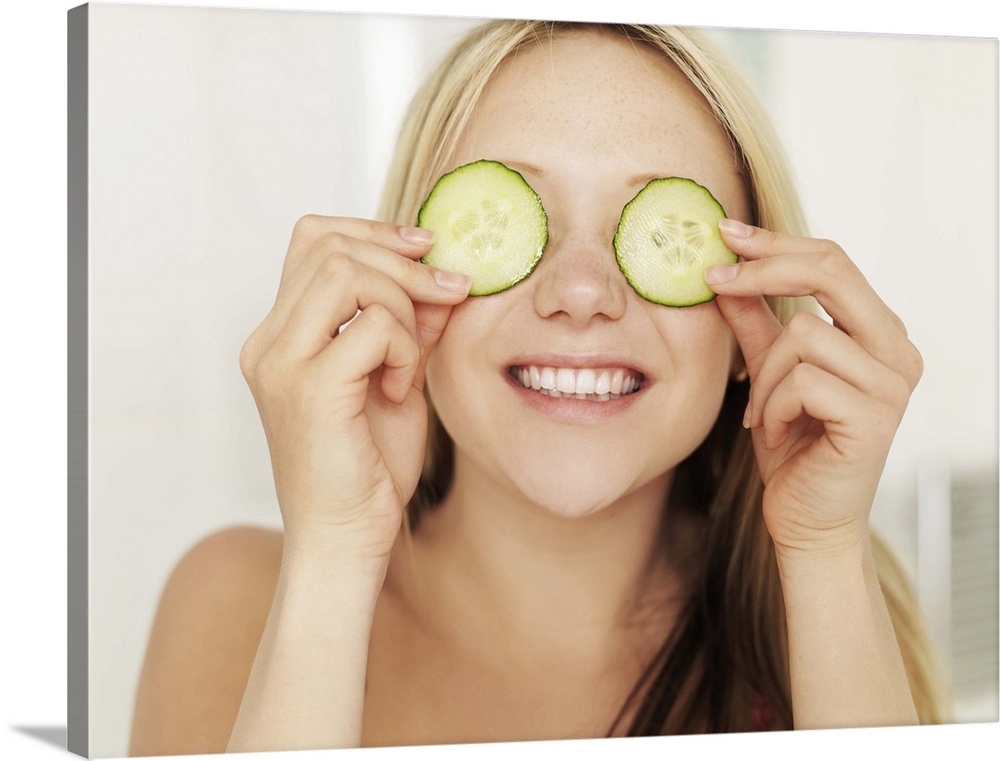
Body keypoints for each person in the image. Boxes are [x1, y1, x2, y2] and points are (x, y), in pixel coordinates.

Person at [127, 19, 950, 756]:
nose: (581, 290)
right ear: (405, 285)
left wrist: (824, 553)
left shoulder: (833, 605)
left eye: (659, 231)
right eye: (516, 219)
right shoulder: (232, 601)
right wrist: (337, 552)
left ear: (751, 323)